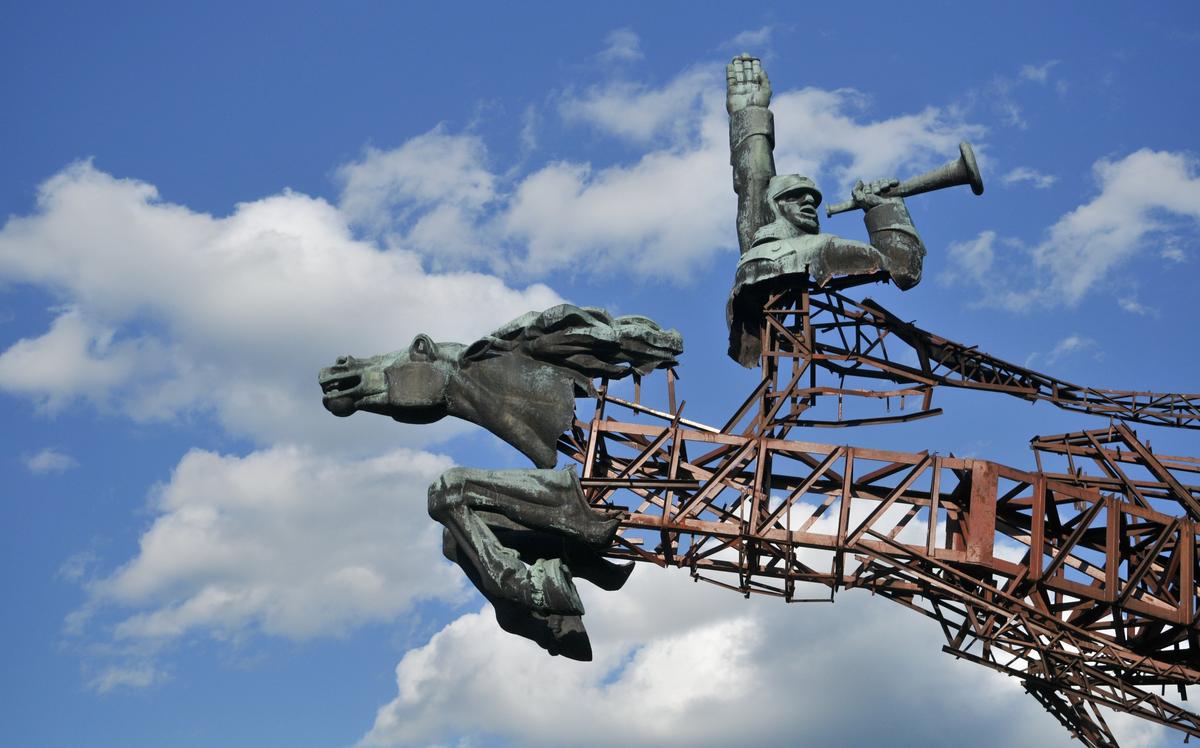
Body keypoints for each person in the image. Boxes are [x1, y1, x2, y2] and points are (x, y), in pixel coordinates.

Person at [726, 54, 926, 367]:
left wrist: (882, 207)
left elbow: (902, 273)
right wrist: (750, 114)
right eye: (796, 197)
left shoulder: (814, 246)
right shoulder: (793, 246)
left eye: (813, 199)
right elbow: (752, 181)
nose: (808, 202)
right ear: (774, 206)